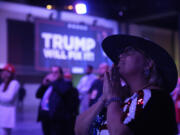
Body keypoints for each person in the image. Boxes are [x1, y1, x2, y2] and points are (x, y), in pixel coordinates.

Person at [75, 35, 178, 135]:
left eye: (129, 51)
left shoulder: (156, 97)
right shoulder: (120, 100)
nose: (120, 56)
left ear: (148, 64)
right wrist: (104, 98)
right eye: (121, 52)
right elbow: (79, 130)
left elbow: (118, 133)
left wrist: (113, 97)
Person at [36, 66, 76, 135]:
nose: (53, 74)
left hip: (56, 117)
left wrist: (53, 82)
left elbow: (63, 91)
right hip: (45, 115)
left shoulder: (65, 83)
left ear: (61, 74)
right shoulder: (49, 84)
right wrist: (43, 84)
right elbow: (38, 95)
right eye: (52, 72)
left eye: (56, 72)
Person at [0, 64, 20, 135]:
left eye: (3, 71)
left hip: (6, 117)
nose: (1, 73)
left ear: (9, 73)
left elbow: (8, 98)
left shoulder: (14, 83)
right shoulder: (2, 84)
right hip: (2, 116)